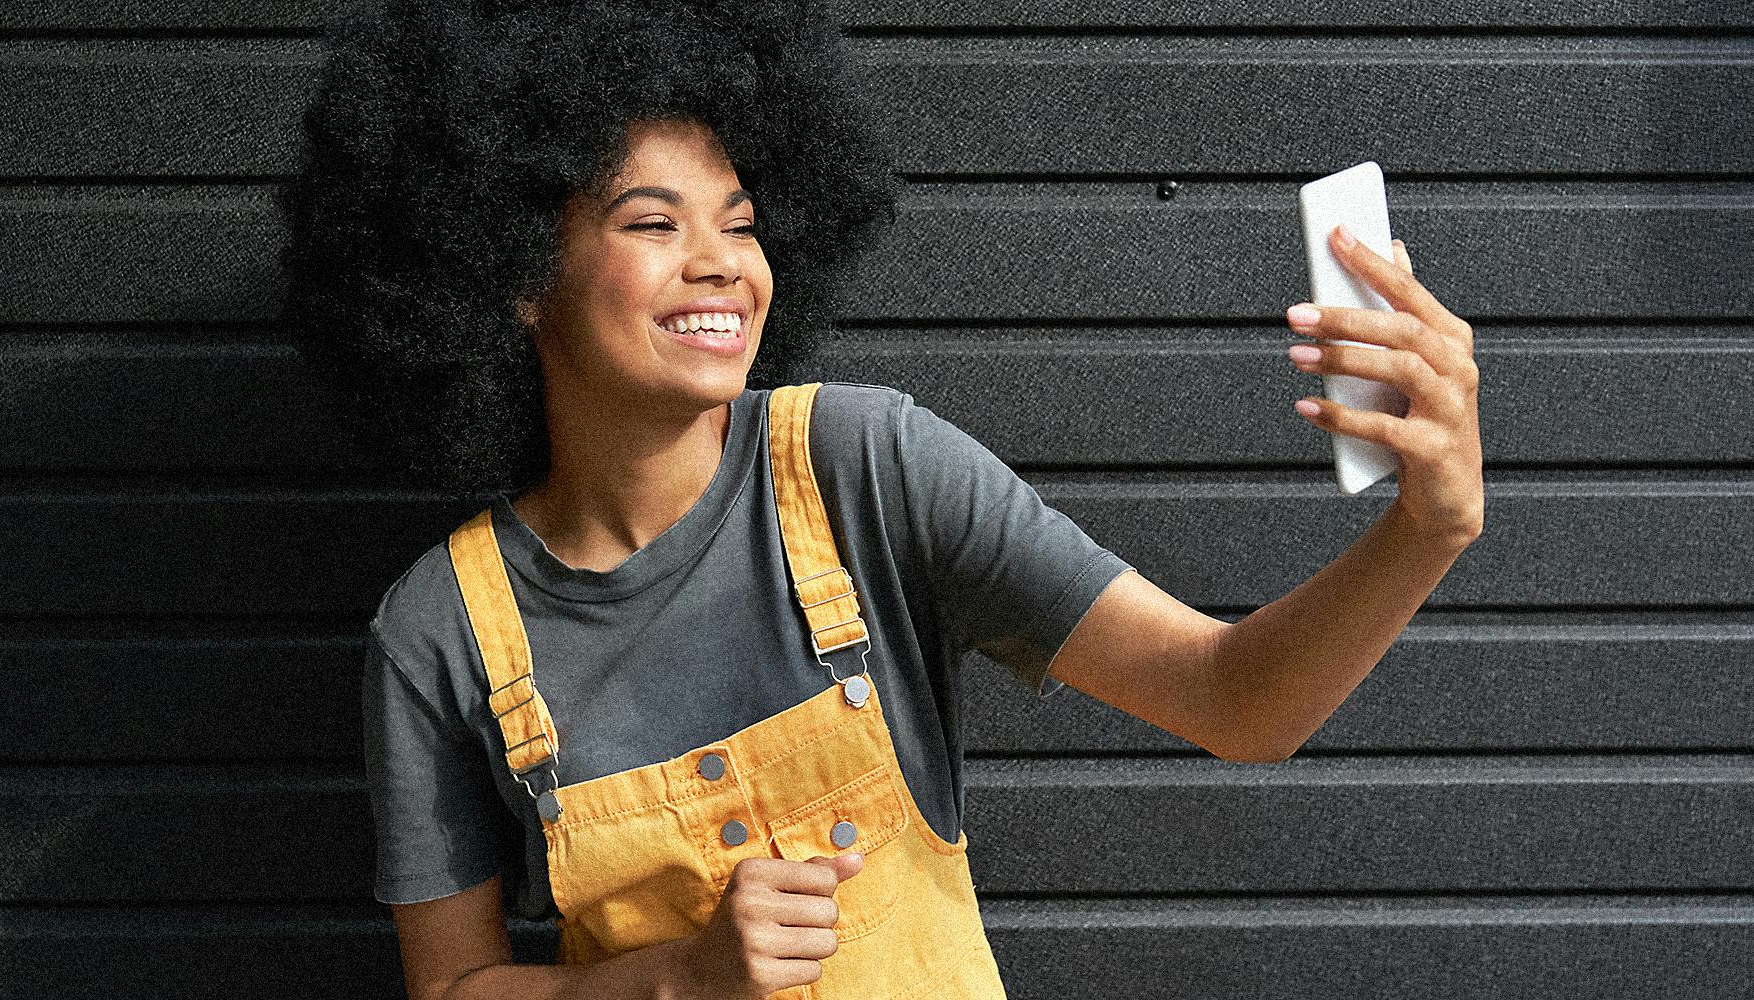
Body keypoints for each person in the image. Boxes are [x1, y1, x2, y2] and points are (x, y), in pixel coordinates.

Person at [279, 2, 1486, 999]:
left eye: (741, 223)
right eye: (652, 221)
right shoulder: (439, 630)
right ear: (507, 278)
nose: (720, 262)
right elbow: (451, 991)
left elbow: (1238, 701)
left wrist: (1424, 527)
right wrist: (676, 981)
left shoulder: (864, 468)